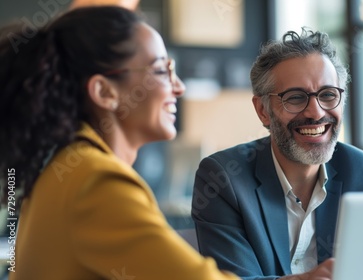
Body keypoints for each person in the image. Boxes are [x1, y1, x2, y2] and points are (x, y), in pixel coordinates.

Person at [0, 6, 239, 280]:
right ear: (104, 91)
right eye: (161, 70)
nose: (179, 87)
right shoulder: (96, 181)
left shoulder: (65, 167)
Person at [191, 28, 363, 280]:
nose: (315, 112)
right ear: (262, 110)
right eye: (295, 98)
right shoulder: (222, 177)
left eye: (327, 95)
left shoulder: (361, 169)